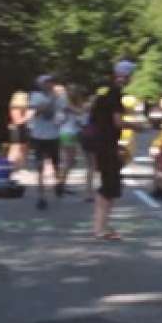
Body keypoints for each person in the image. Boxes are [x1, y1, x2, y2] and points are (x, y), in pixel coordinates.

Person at [90, 60, 136, 240]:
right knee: (109, 186)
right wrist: (136, 126)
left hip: (101, 144)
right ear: (125, 76)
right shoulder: (115, 95)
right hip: (107, 145)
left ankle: (102, 226)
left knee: (109, 185)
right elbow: (117, 122)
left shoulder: (104, 93)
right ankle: (100, 228)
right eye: (130, 75)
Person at [29, 75, 63, 210]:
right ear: (40, 84)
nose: (49, 85)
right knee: (39, 167)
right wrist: (51, 102)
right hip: (38, 135)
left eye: (51, 82)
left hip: (53, 135)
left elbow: (61, 113)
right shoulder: (35, 96)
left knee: (56, 165)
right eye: (46, 82)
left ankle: (58, 183)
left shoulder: (59, 98)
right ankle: (41, 197)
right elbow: (38, 111)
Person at [54, 84, 79, 196]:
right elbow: (78, 111)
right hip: (66, 132)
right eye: (72, 90)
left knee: (69, 160)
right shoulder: (64, 101)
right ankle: (60, 184)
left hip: (70, 132)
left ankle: (62, 183)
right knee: (68, 160)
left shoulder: (68, 101)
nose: (74, 93)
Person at [6, 91, 31, 171]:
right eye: (26, 98)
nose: (27, 100)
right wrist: (28, 116)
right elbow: (17, 121)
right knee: (15, 149)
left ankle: (21, 168)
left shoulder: (25, 108)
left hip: (24, 129)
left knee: (24, 149)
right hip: (16, 130)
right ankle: (9, 167)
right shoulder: (15, 108)